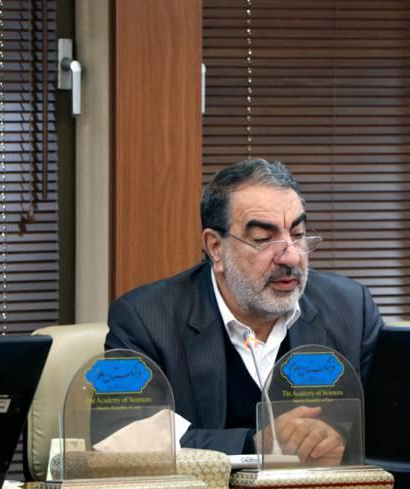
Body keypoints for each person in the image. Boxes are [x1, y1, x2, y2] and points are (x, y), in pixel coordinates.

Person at [105, 159, 383, 462]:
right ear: (215, 247)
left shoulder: (350, 308)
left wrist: (339, 439)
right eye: (264, 240)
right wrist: (254, 445)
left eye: (298, 235)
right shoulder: (145, 318)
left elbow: (391, 426)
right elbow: (122, 435)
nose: (291, 257)